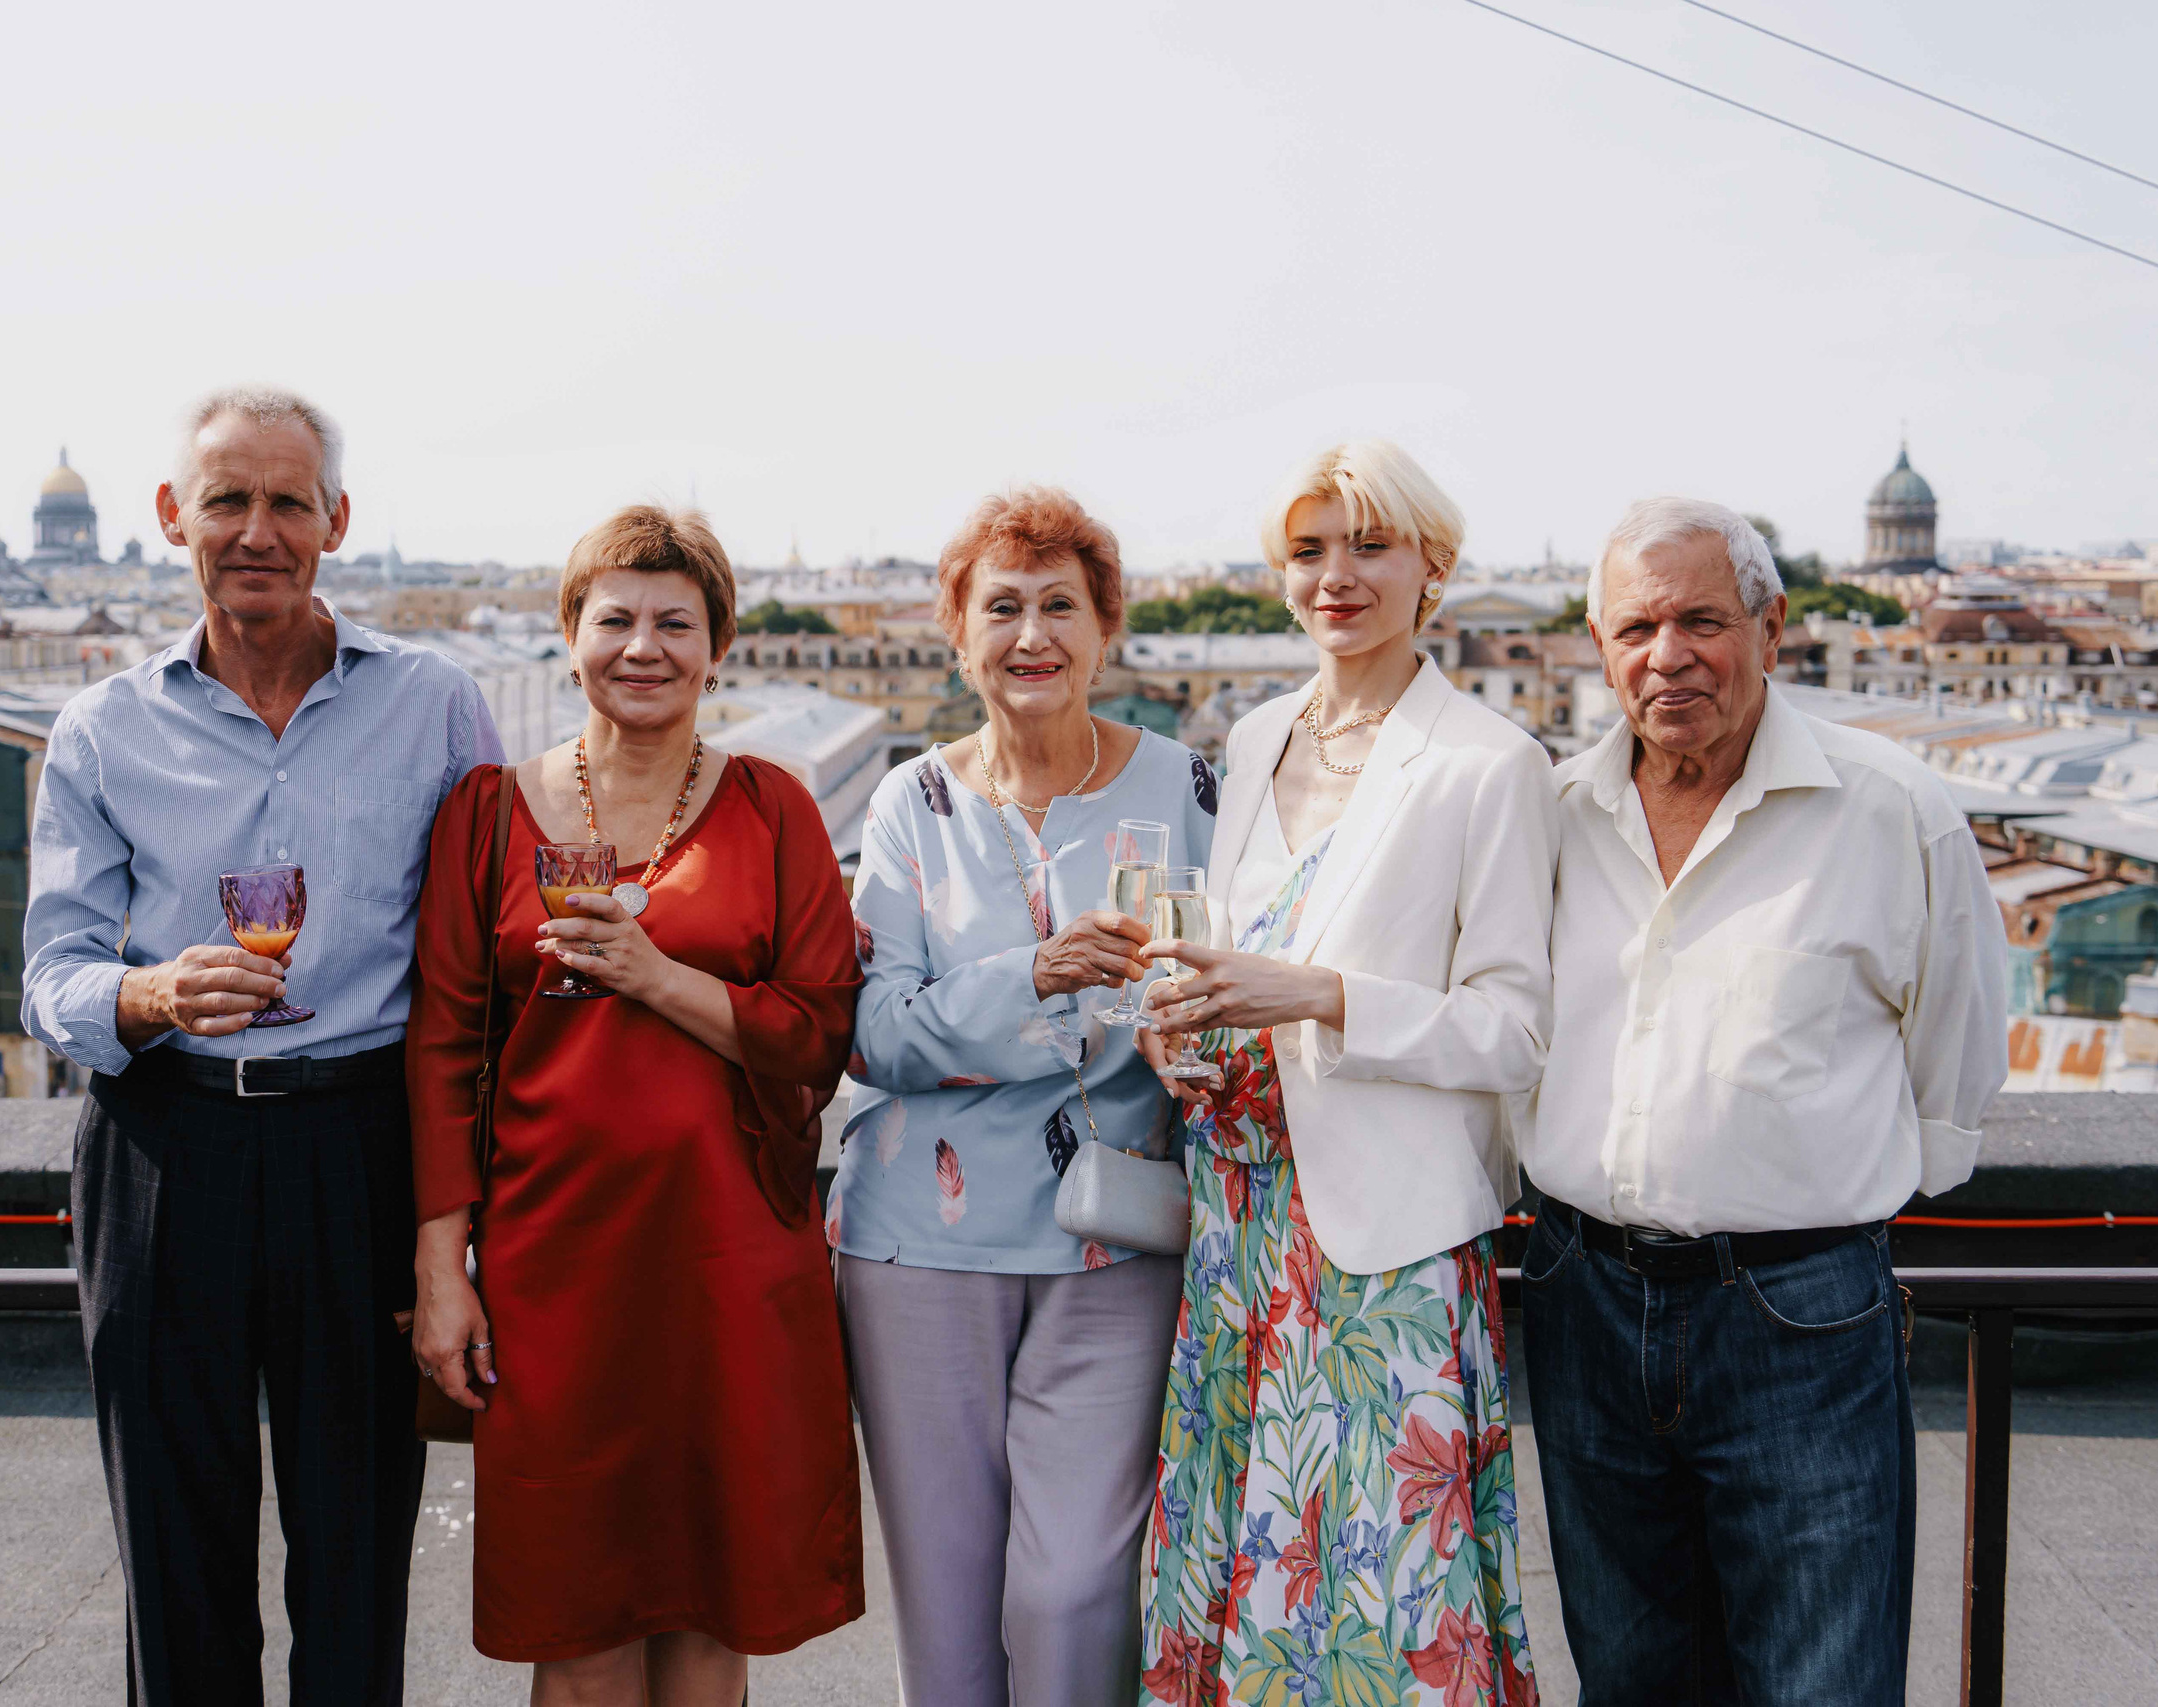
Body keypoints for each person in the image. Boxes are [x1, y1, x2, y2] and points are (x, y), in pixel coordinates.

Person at [21, 387, 502, 1705]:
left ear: (335, 521)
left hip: (361, 1146)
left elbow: (484, 953)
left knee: (355, 1556)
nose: (256, 529)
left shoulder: (439, 704)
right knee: (175, 1566)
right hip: (164, 1146)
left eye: (288, 500)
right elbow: (51, 971)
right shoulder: (102, 727)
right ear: (173, 515)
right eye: (227, 498)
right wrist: (153, 991)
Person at [1521, 496, 2007, 1704]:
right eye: (1635, 627)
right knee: (1629, 1676)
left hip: (1798, 1313)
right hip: (1581, 1300)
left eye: (1700, 620)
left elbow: (1955, 1049)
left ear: (1771, 626)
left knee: (1821, 1679)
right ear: (1596, 642)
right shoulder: (1547, 816)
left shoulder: (1890, 809)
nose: (1666, 655)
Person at [407, 504, 864, 1706]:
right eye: (615, 618)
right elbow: (444, 1048)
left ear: (719, 646)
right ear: (570, 636)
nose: (643, 647)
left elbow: (822, 1030)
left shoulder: (775, 807)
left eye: (677, 621)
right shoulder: (486, 810)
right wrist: (443, 1267)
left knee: (713, 1615)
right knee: (577, 1615)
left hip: (727, 1259)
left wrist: (660, 979)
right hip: (551, 1266)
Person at [1133, 440, 1551, 1706]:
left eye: (1369, 545)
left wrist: (1318, 999)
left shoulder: (1492, 762)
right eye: (1309, 549)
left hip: (1383, 1247)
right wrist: (1181, 1030)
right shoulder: (1256, 738)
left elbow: (1517, 1035)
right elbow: (1236, 954)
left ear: (1434, 567)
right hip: (1239, 1226)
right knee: (1244, 1567)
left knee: (1383, 1598)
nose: (1337, 576)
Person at [832, 486, 1217, 1707]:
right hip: (917, 1254)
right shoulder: (909, 802)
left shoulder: (1196, 793)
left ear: (1107, 631)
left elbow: (1227, 982)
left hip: (1119, 1240)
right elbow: (876, 1035)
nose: (1032, 634)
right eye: (1001, 607)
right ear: (959, 633)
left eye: (1062, 605)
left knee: (1072, 1595)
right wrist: (1033, 978)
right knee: (946, 1614)